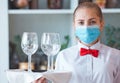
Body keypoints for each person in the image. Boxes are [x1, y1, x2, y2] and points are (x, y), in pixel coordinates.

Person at [33, 2, 120, 83]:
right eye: (81, 22)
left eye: (92, 22)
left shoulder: (116, 56)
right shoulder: (63, 56)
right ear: (74, 25)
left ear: (101, 25)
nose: (86, 27)